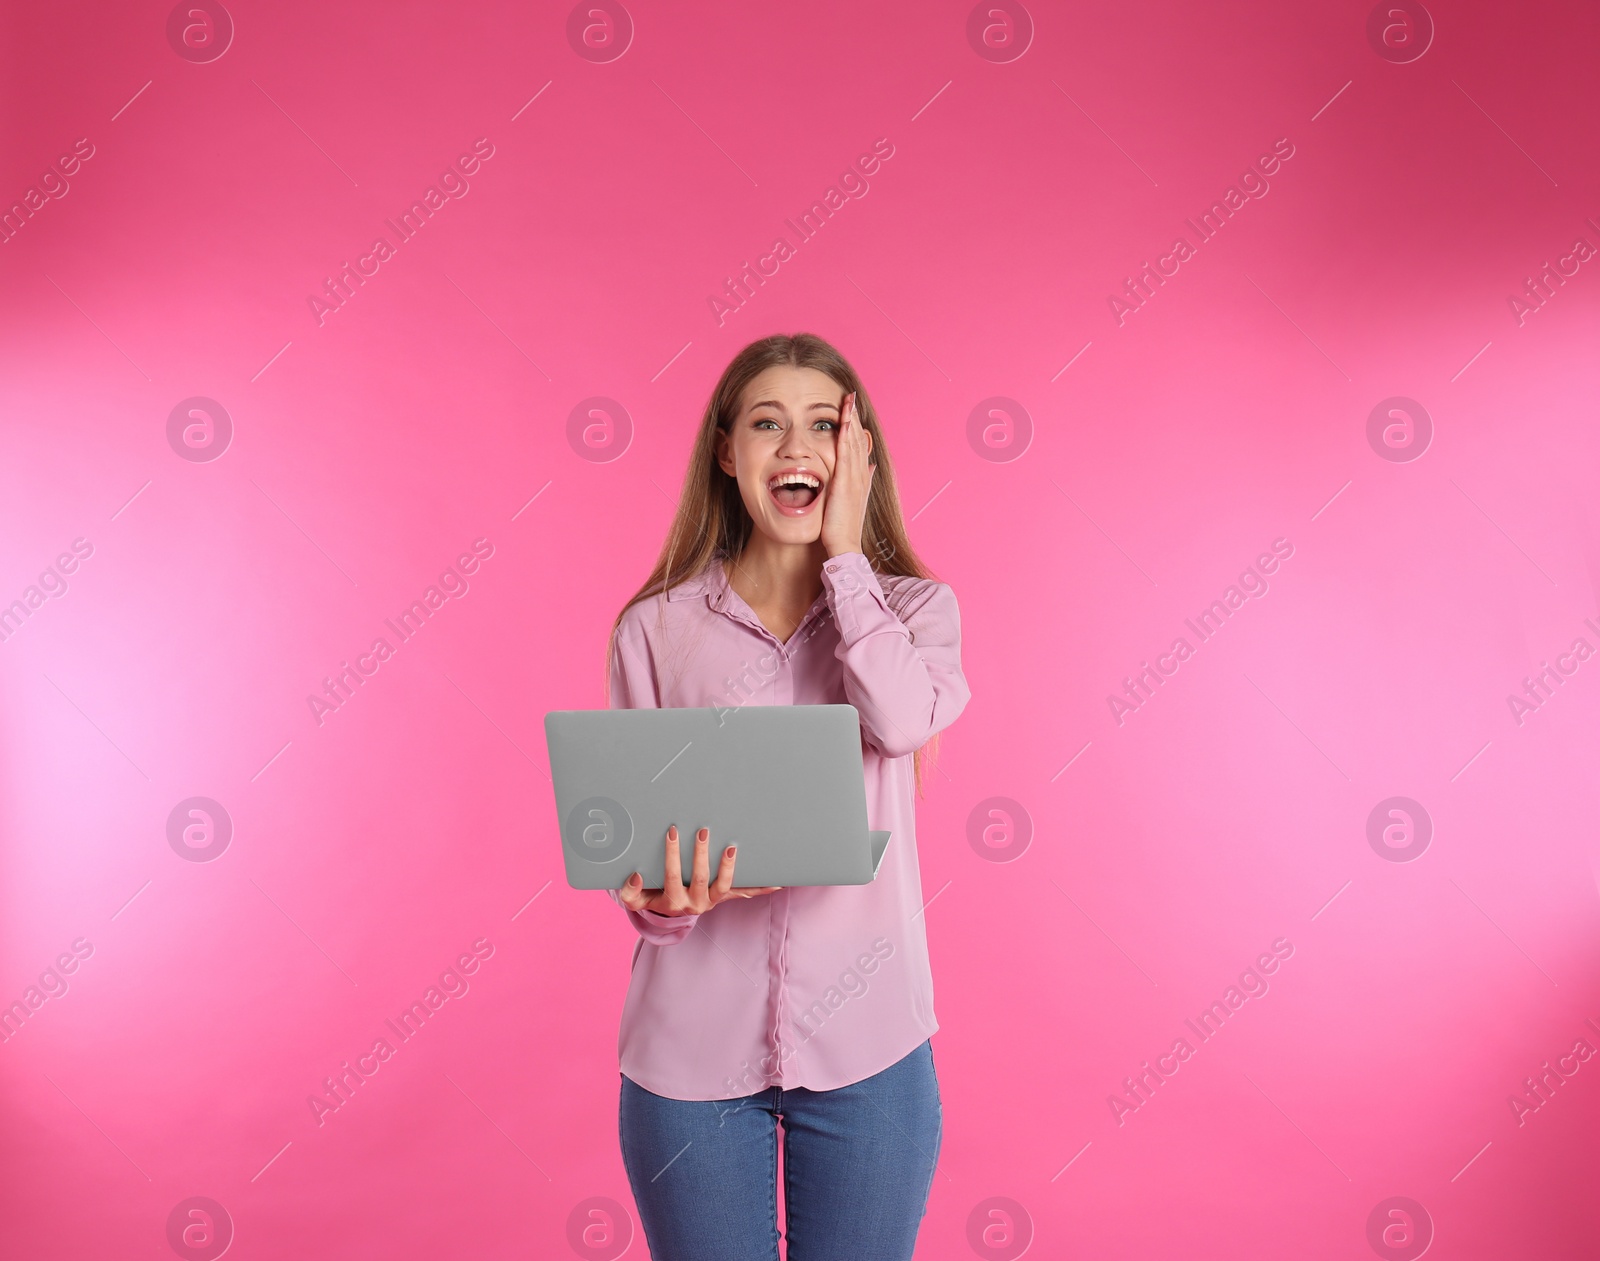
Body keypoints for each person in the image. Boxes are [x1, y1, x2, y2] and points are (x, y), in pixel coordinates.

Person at [603, 331, 971, 1260]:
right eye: (767, 423)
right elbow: (644, 870)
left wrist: (848, 559)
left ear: (857, 457)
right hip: (687, 1059)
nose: (796, 445)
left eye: (824, 426)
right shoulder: (654, 632)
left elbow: (898, 723)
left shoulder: (918, 614)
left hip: (872, 1052)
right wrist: (660, 901)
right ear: (727, 453)